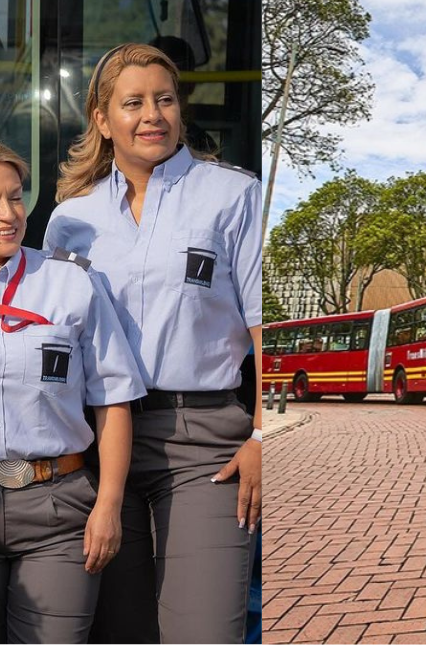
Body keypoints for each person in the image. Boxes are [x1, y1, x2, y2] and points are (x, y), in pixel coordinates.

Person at [45, 42, 263, 644]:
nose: (152, 116)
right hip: (98, 451)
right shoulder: (70, 219)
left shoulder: (233, 196)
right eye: (133, 102)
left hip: (205, 448)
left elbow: (265, 330)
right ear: (102, 118)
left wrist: (264, 436)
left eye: (164, 99)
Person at [0, 138, 143, 643]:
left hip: (60, 511)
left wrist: (107, 506)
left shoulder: (73, 284)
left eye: (16, 197)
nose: (9, 214)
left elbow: (114, 401)